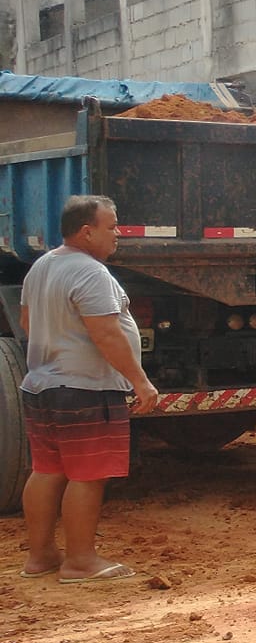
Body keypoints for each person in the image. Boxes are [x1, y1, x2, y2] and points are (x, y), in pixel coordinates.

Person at [18, 193, 160, 582]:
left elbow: (28, 324)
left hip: (43, 385)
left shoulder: (42, 267)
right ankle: (80, 561)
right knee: (88, 474)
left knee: (47, 470)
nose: (118, 235)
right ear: (86, 232)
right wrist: (140, 381)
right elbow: (106, 333)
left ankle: (41, 556)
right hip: (85, 390)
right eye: (111, 227)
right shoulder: (91, 273)